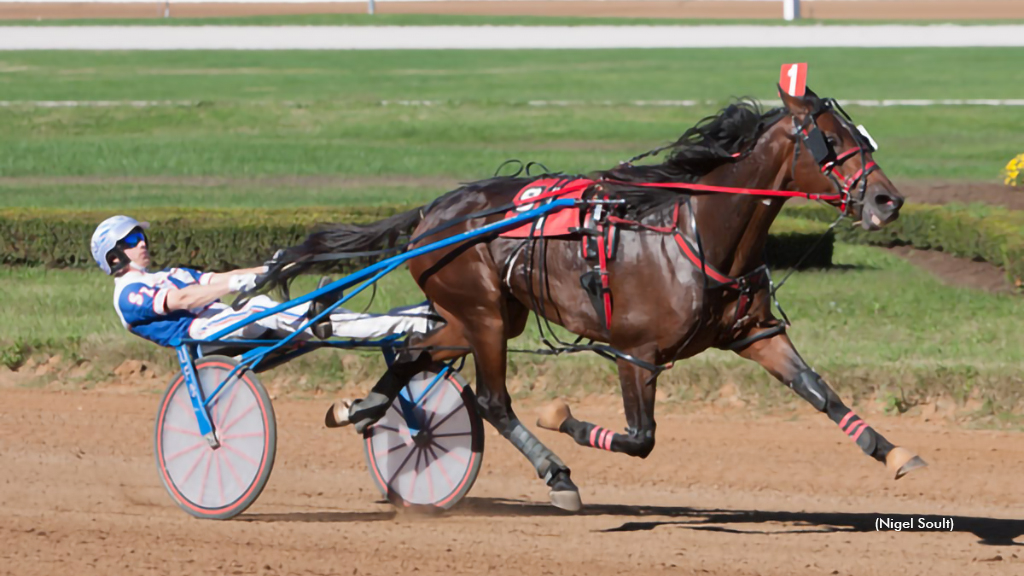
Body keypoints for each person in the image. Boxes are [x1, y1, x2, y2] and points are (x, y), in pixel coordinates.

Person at [90, 215, 432, 349]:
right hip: (203, 335)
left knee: (263, 305)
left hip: (226, 317)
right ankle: (410, 320)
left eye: (140, 236)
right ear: (113, 256)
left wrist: (275, 267)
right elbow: (183, 301)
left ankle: (317, 316)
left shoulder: (166, 274)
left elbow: (215, 279)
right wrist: (239, 284)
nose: (142, 243)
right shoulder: (128, 295)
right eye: (131, 240)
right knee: (264, 308)